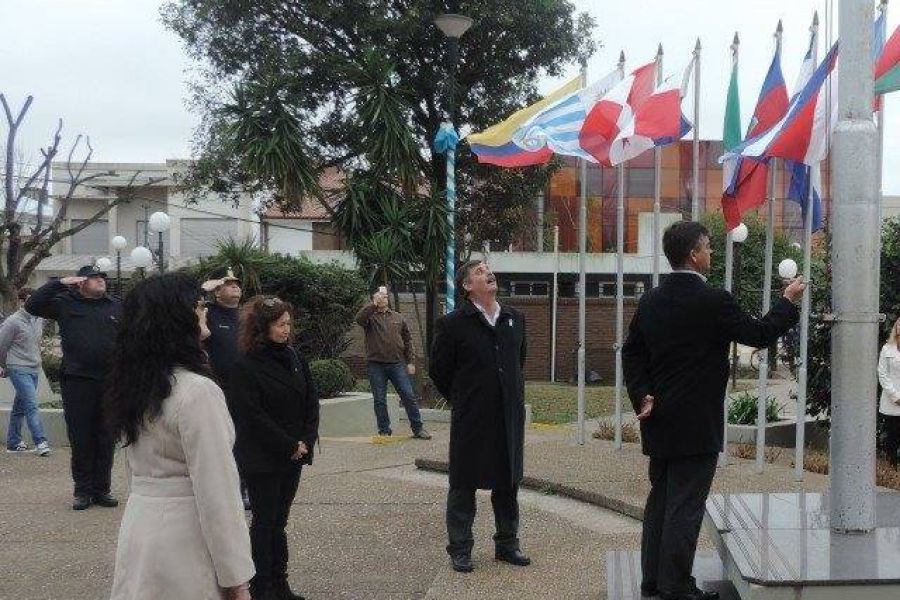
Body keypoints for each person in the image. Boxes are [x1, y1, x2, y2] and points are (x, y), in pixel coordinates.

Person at [623, 221, 804, 600]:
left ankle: (653, 580)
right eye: (708, 248)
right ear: (693, 254)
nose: (712, 254)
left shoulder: (651, 300)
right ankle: (675, 586)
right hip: (695, 423)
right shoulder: (714, 300)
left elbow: (633, 353)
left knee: (661, 501)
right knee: (685, 507)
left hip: (658, 420)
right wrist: (787, 302)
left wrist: (642, 395)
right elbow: (758, 334)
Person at [106, 272, 254, 600]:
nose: (204, 311)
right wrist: (236, 577)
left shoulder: (136, 385)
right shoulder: (197, 392)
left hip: (140, 529)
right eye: (197, 305)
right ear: (176, 318)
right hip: (187, 539)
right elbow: (218, 491)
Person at [430, 260, 530, 574]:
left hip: (508, 416)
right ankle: (460, 549)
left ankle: (507, 544)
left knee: (508, 482)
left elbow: (519, 361)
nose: (487, 273)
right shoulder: (453, 324)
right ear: (466, 286)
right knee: (463, 484)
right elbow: (439, 371)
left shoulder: (515, 318)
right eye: (478, 272)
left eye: (488, 269)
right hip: (472, 417)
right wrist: (464, 397)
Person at [229, 295, 320, 600]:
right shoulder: (245, 365)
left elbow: (310, 400)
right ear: (262, 327)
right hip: (263, 458)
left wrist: (306, 439)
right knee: (265, 522)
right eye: (280, 325)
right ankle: (261, 586)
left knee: (280, 522)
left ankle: (280, 583)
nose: (286, 330)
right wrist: (287, 444)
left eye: (288, 324)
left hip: (295, 455)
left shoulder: (294, 357)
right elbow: (251, 414)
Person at [26, 265, 121, 510]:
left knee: (106, 437)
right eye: (94, 277)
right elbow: (32, 305)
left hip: (110, 381)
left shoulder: (116, 306)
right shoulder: (66, 304)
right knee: (81, 437)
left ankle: (102, 489)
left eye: (102, 277)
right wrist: (59, 283)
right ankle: (83, 491)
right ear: (80, 283)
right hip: (78, 381)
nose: (101, 280)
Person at [202, 267, 250, 508]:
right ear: (217, 290)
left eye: (237, 284)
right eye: (229, 284)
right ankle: (226, 491)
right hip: (219, 388)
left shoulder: (245, 316)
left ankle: (244, 488)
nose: (236, 288)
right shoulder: (207, 312)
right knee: (223, 442)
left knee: (245, 440)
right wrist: (204, 291)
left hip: (246, 389)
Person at [355, 285, 430, 439]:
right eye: (380, 296)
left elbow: (408, 340)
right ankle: (384, 431)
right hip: (376, 365)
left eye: (385, 296)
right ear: (375, 299)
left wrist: (410, 361)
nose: (384, 298)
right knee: (380, 400)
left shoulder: (398, 317)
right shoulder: (369, 318)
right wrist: (373, 305)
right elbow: (359, 318)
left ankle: (418, 429)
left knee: (408, 395)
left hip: (397, 364)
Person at [1, 288, 51, 456]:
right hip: (17, 368)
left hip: (34, 368)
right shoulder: (12, 322)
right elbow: (1, 345)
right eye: (31, 300)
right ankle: (41, 442)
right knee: (31, 404)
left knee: (20, 406)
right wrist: (3, 366)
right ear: (21, 302)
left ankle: (13, 442)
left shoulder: (38, 319)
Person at [878, 317, 900, 467]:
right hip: (892, 402)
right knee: (892, 437)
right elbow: (882, 374)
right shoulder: (887, 348)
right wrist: (895, 396)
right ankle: (892, 467)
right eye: (899, 325)